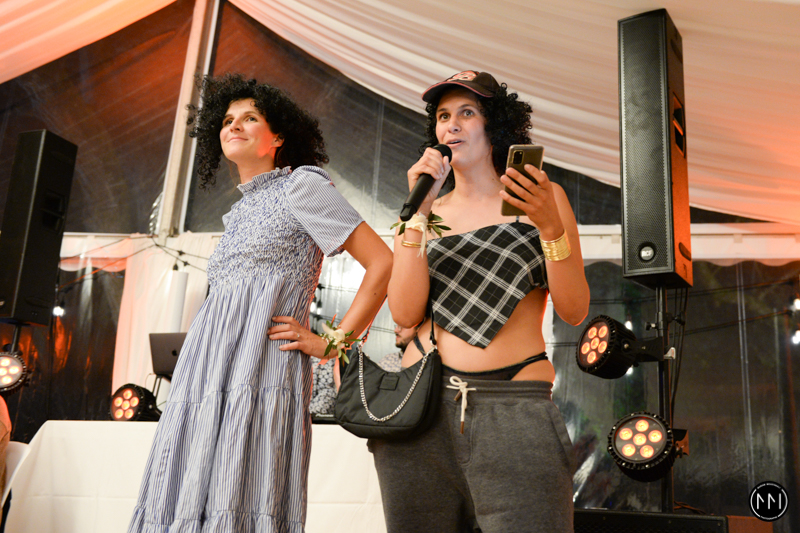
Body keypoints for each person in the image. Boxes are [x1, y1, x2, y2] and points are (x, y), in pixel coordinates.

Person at [128, 73, 392, 533]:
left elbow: (382, 262)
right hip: (206, 370)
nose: (234, 125)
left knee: (244, 486)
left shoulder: (302, 185)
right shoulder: (239, 211)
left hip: (261, 369)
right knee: (190, 486)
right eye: (226, 119)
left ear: (279, 137)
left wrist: (334, 342)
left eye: (250, 117)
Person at [370, 70, 590, 532]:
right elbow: (404, 312)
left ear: (496, 126)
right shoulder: (426, 211)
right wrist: (417, 216)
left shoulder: (540, 199)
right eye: (443, 115)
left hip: (514, 406)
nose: (451, 124)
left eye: (467, 112)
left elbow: (574, 309)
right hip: (423, 410)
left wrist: (550, 227)